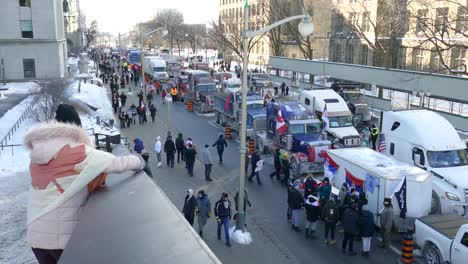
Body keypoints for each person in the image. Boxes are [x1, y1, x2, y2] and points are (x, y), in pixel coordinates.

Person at [25, 104, 144, 264]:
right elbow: (118, 163)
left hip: (36, 236)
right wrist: (141, 161)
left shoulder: (36, 156)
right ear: (76, 128)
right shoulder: (76, 151)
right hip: (62, 241)